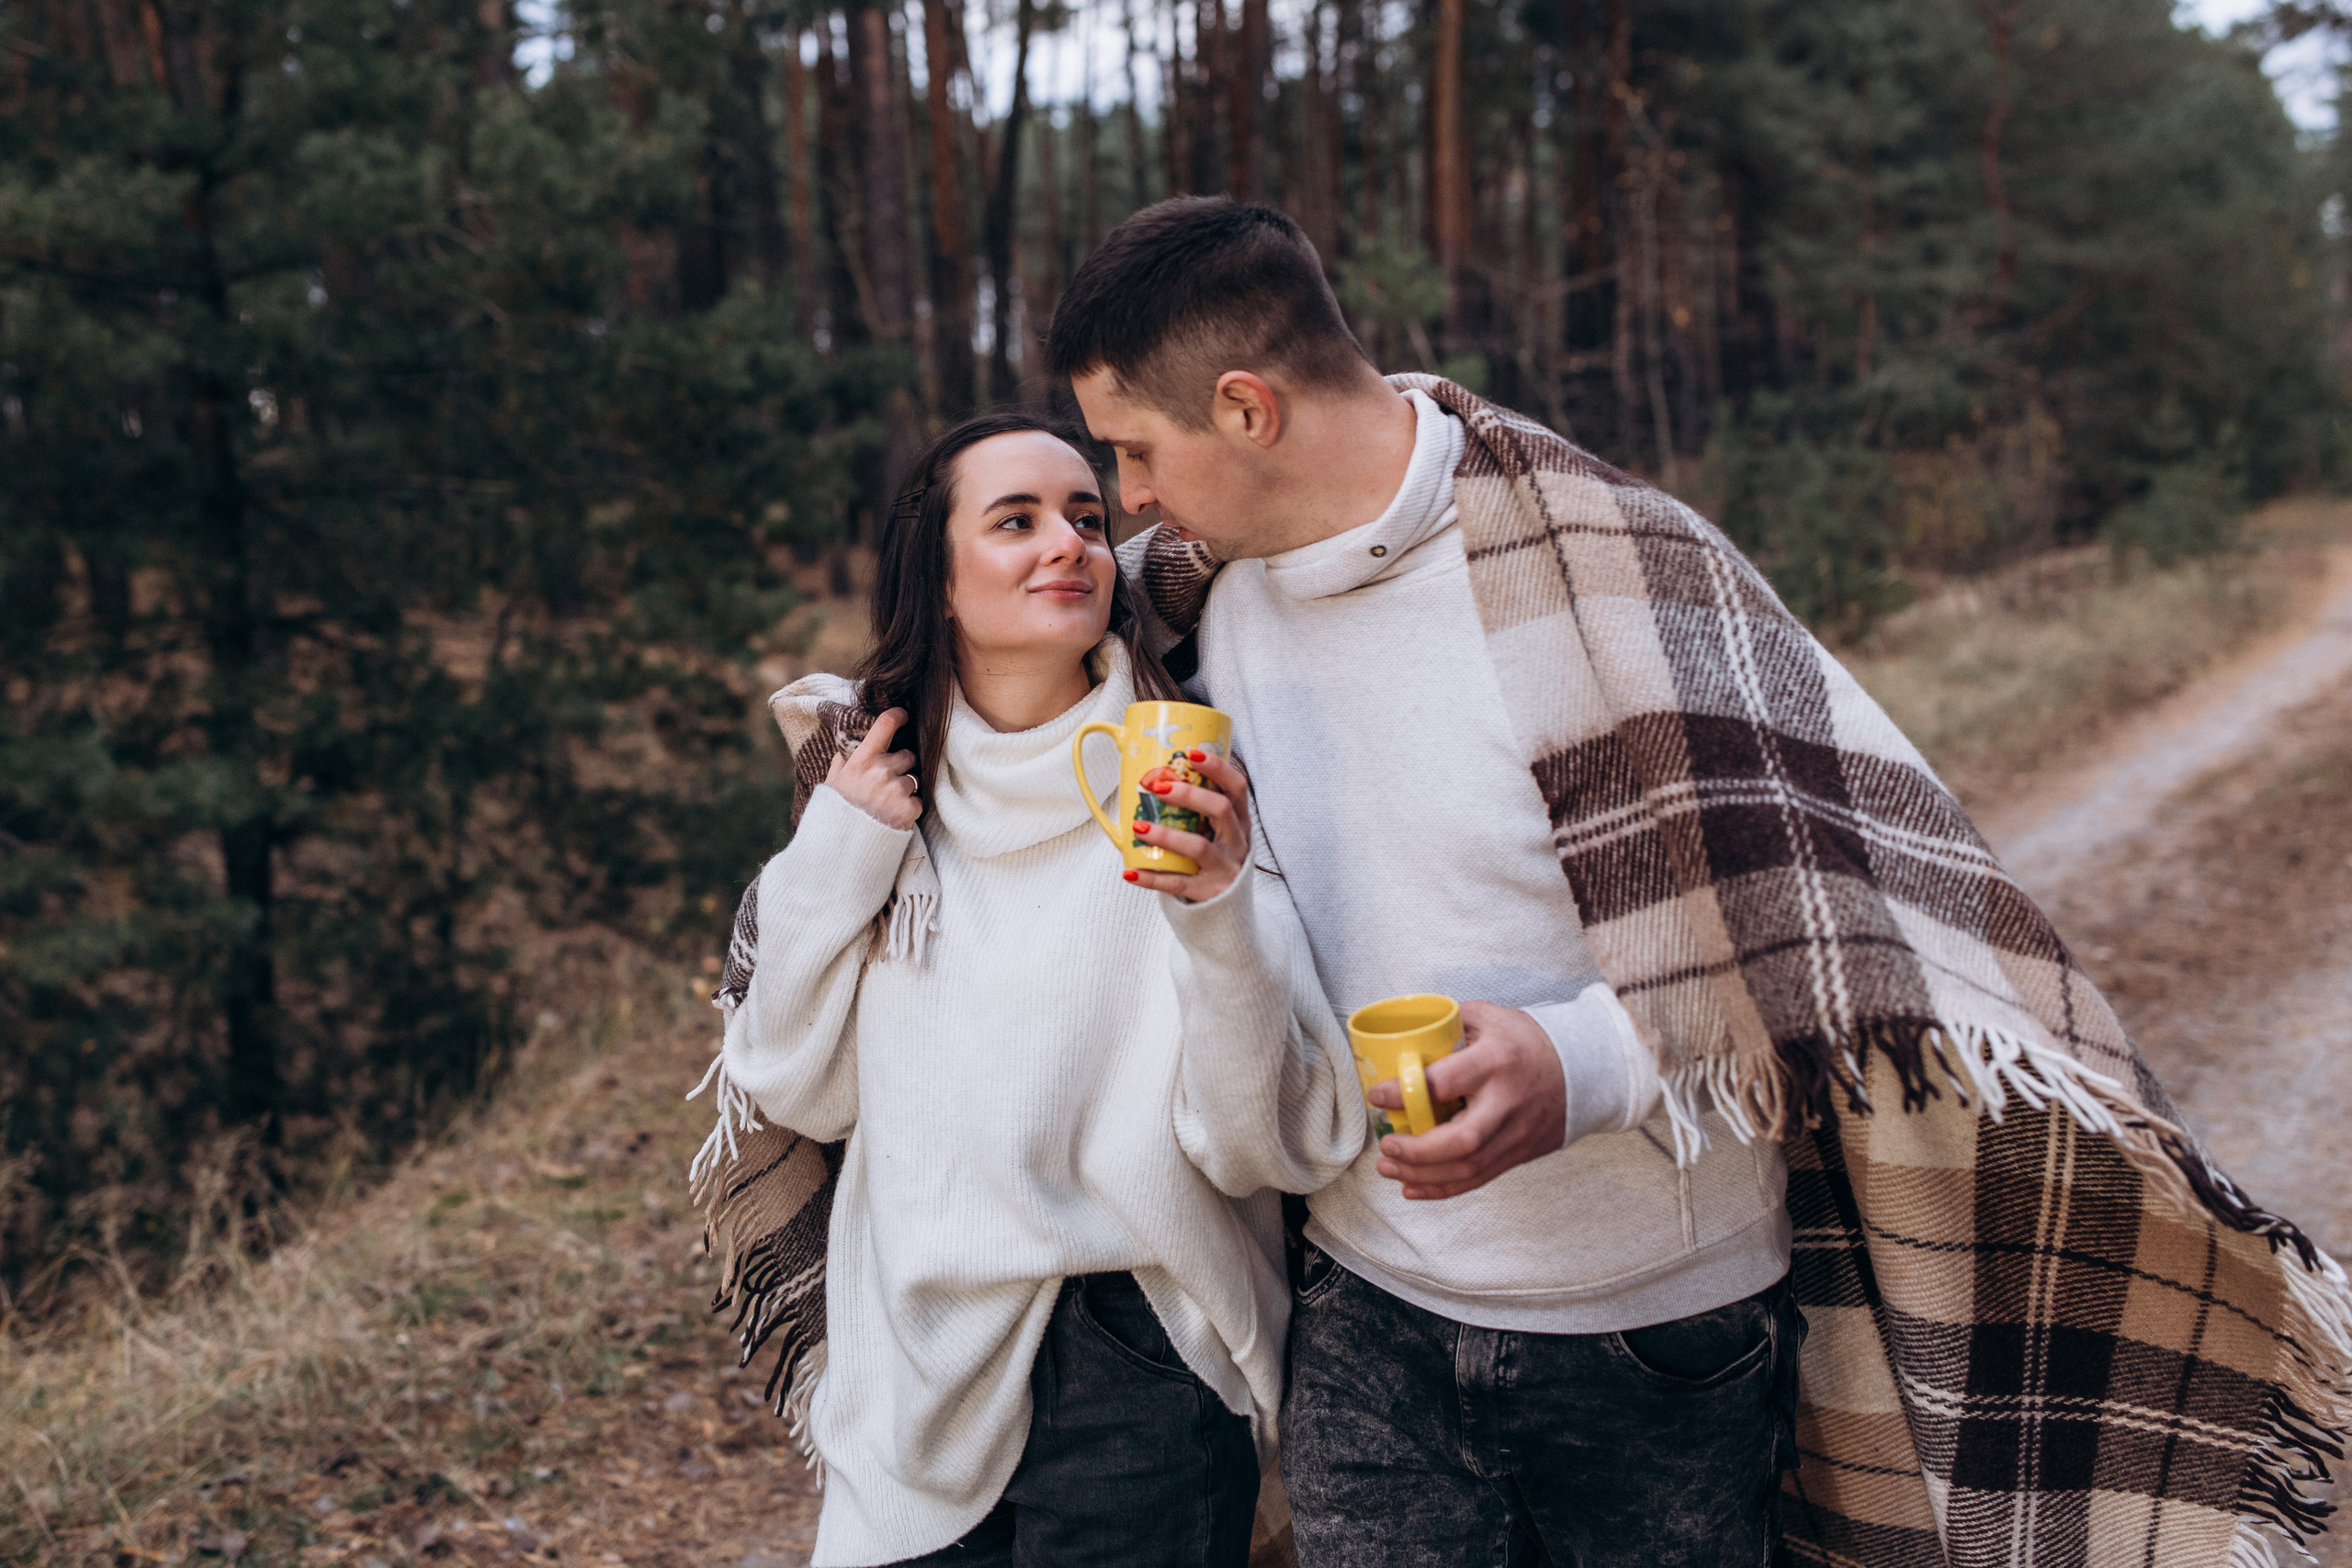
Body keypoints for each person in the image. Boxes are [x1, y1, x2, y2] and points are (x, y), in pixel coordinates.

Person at [1047, 197, 2352, 1568]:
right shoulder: (1192, 606)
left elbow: (1832, 935)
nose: (1130, 501)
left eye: (1135, 452)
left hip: (1657, 1333)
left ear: (1246, 409)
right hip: (1364, 1314)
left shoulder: (1615, 569)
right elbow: (989, 651)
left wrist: (1580, 1067)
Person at [695, 411, 1364, 1568]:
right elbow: (798, 1091)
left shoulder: (1185, 781)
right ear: (941, 581)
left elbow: (1271, 1144)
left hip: (1143, 1356)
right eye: (1016, 520)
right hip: (910, 1363)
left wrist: (1215, 911)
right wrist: (840, 855)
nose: (1069, 543)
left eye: (1088, 519)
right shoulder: (873, 798)